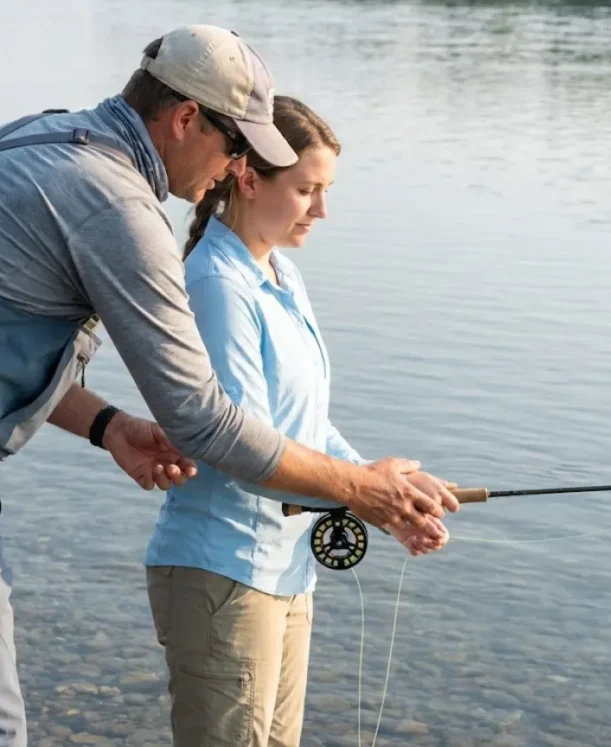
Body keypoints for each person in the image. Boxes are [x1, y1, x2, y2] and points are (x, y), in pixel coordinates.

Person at [0, 24, 459, 747]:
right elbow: (206, 423)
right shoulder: (116, 202)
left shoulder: (45, 137)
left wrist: (109, 426)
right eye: (237, 147)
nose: (235, 168)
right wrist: (361, 487)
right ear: (185, 118)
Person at [143, 95, 451, 747]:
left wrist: (385, 486)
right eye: (307, 189)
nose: (322, 209)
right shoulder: (216, 286)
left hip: (285, 573)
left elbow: (303, 425)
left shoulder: (280, 274)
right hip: (222, 573)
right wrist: (364, 493)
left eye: (326, 190)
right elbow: (245, 449)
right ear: (249, 178)